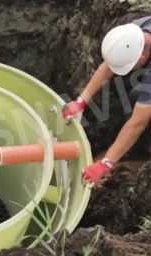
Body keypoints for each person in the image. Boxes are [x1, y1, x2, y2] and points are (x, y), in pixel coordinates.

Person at [62, 16, 151, 185]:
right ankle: (134, 150)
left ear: (141, 59)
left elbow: (137, 123)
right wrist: (81, 102)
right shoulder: (137, 31)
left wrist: (105, 164)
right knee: (137, 96)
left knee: (144, 109)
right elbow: (108, 66)